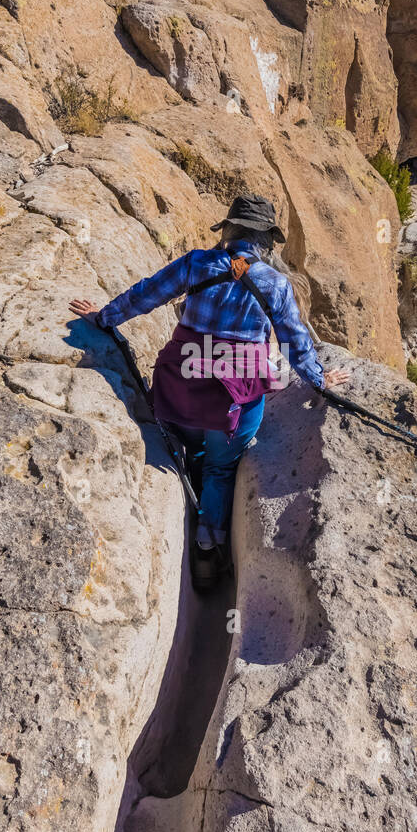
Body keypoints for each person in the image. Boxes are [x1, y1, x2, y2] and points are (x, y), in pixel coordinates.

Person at [69, 194, 350, 588]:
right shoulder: (276, 284)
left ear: (229, 231)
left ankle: (190, 482)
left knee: (192, 442)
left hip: (178, 388)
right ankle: (205, 553)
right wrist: (320, 380)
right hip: (231, 398)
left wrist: (103, 317)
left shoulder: (197, 263)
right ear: (267, 240)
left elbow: (145, 295)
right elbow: (295, 341)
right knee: (220, 468)